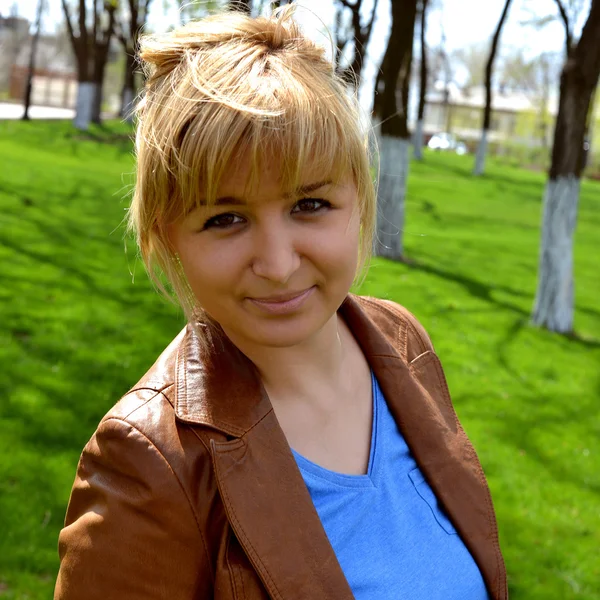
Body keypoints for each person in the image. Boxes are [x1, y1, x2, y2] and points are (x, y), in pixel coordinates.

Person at [54, 7, 507, 600]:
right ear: (167, 236)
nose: (278, 263)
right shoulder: (152, 462)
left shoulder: (400, 340)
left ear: (359, 201)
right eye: (226, 218)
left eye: (309, 205)